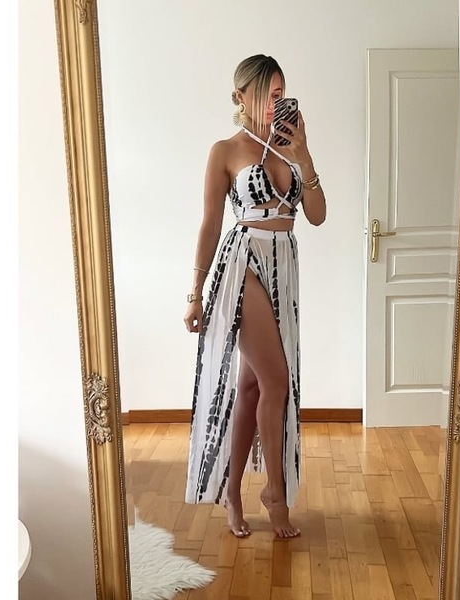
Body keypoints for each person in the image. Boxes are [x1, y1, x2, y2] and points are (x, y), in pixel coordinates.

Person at [183, 54, 327, 539]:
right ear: (240, 96)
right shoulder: (225, 151)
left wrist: (304, 156)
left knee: (252, 387)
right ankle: (275, 494)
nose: (273, 102)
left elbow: (317, 215)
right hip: (243, 261)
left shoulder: (292, 145)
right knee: (276, 380)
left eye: (280, 93)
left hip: (284, 262)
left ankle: (232, 491)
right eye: (265, 93)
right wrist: (195, 292)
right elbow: (210, 224)